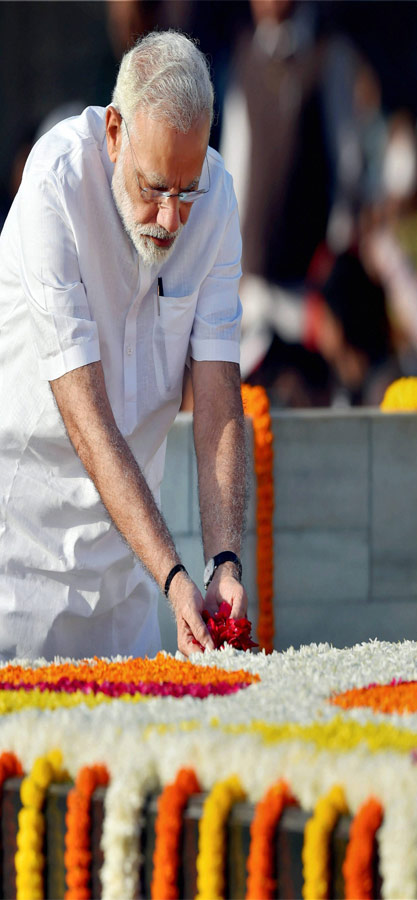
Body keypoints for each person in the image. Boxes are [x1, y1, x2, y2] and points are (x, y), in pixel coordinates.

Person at [0, 31, 247, 659]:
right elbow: (85, 414)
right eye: (155, 188)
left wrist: (223, 562)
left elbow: (219, 394)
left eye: (185, 191)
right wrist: (173, 574)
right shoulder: (52, 184)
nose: (171, 218)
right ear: (114, 132)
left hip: (131, 574)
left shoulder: (216, 197)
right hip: (19, 560)